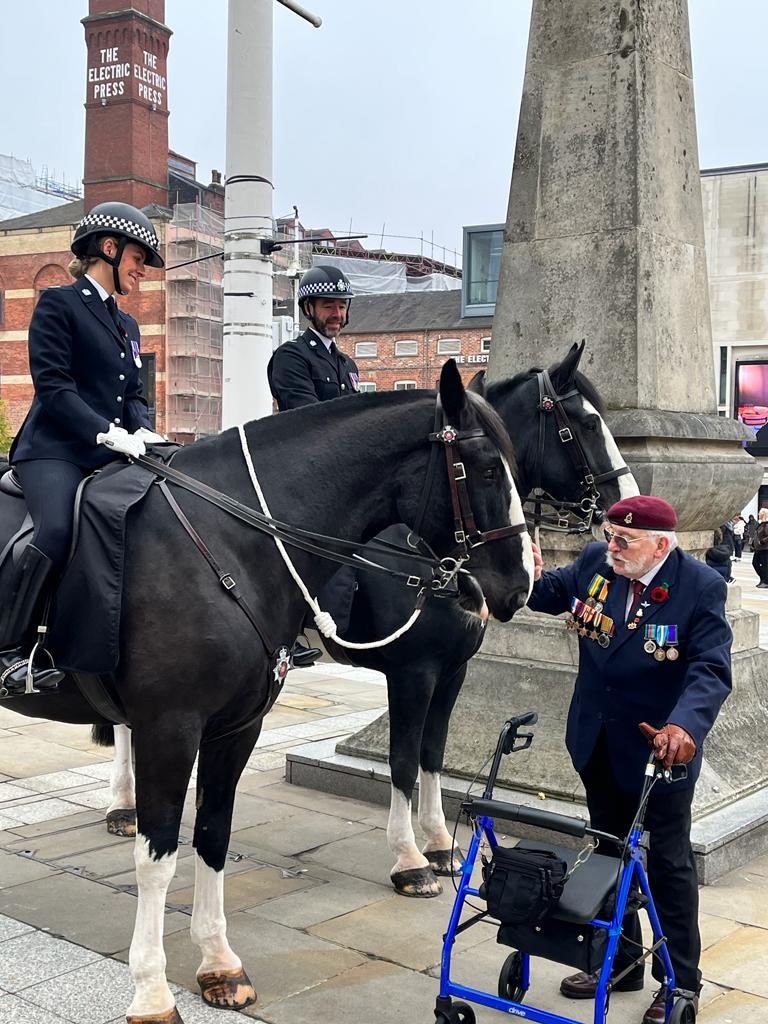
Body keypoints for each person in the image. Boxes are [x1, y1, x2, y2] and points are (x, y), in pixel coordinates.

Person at [528, 496, 731, 1024]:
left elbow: (710, 667)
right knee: (607, 853)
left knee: (668, 866)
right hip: (596, 738)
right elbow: (552, 594)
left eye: (625, 541)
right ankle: (619, 963)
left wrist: (684, 725)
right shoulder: (600, 562)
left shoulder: (700, 587)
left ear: (661, 545)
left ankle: (680, 981)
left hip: (659, 751)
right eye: (610, 536)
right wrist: (524, 570)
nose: (612, 548)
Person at [0, 202, 165, 694]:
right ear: (108, 249)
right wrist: (104, 431)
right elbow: (54, 388)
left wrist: (148, 435)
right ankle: (10, 649)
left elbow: (132, 395)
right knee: (54, 529)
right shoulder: (59, 303)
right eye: (138, 258)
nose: (141, 270)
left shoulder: (127, 325)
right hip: (54, 449)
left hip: (110, 450)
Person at [267, 266, 360, 665]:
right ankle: (292, 627)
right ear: (308, 309)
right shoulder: (291, 357)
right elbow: (308, 420)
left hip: (346, 472)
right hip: (305, 473)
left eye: (341, 306)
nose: (336, 313)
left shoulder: (347, 365)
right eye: (328, 306)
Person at [751, 508, 768, 588]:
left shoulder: (766, 524)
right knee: (755, 563)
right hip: (758, 549)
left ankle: (766, 581)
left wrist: (762, 541)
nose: (758, 514)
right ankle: (763, 579)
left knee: (765, 565)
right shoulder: (761, 524)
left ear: (764, 514)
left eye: (760, 513)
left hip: (765, 549)